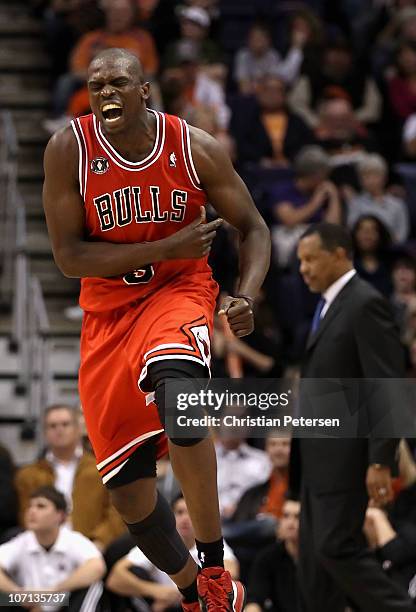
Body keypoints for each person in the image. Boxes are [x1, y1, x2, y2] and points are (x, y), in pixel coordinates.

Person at [42, 47, 270, 611]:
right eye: (96, 87)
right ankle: (194, 591)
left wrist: (245, 293)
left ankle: (216, 566)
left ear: (145, 90)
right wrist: (165, 245)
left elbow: (254, 228)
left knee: (182, 395)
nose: (106, 94)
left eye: (118, 83)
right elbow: (70, 258)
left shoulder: (194, 148)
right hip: (108, 313)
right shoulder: (69, 148)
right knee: (129, 493)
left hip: (179, 293)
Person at [291, 222, 415, 611]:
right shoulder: (330, 305)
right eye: (300, 261)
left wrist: (381, 459)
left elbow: (387, 384)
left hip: (345, 458)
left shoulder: (364, 303)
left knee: (336, 549)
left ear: (340, 254)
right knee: (313, 570)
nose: (304, 269)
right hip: (316, 460)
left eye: (311, 259)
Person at [15, 403, 125, 550]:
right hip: (43, 545)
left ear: (78, 428)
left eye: (65, 424)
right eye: (52, 426)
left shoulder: (103, 469)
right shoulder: (28, 475)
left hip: (93, 546)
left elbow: (116, 512)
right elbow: (26, 515)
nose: (59, 430)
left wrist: (99, 542)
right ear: (44, 432)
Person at [106, 493, 239, 611]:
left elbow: (231, 572)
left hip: (196, 605)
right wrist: (155, 591)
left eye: (190, 513)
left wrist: (178, 595)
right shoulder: (159, 542)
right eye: (180, 512)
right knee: (134, 573)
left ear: (200, 518)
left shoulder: (210, 540)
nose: (185, 519)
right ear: (171, 517)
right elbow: (115, 579)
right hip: (158, 605)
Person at [0, 486, 105, 612]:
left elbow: (97, 567)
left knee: (94, 586)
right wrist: (17, 593)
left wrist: (54, 591)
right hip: (31, 606)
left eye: (41, 506)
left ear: (60, 515)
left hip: (66, 604)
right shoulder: (21, 541)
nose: (31, 511)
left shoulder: (73, 540)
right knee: (5, 597)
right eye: (30, 506)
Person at [244, 499, 300, 612]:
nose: (291, 523)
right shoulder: (267, 557)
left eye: (298, 517)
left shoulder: (320, 559)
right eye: (286, 516)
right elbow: (255, 599)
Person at [346, 154, 409, 244]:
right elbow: (352, 230)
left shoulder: (397, 204)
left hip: (392, 251)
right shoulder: (355, 203)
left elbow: (402, 235)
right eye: (366, 176)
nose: (371, 180)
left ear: (385, 178)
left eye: (375, 175)